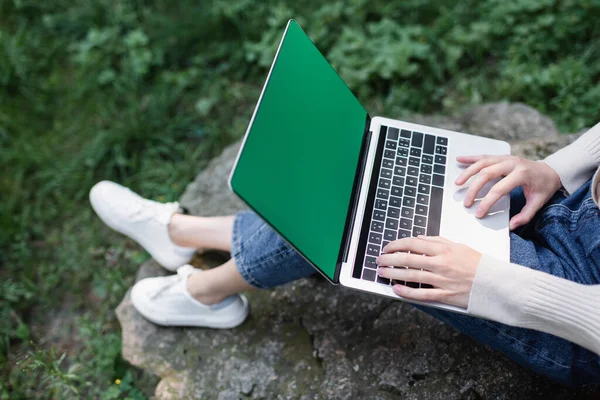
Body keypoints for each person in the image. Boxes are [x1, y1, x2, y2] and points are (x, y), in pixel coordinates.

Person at [90, 125, 600, 386]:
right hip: (569, 205)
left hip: (573, 310)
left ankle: (204, 288)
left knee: (365, 222)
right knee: (380, 174)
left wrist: (485, 281)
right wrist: (557, 169)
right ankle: (182, 234)